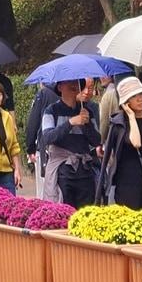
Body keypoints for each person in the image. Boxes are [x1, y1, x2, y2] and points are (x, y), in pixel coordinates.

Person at [99, 77, 142, 211]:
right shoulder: (119, 123)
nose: (140, 99)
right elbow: (136, 142)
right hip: (127, 183)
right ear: (125, 101)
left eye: (141, 94)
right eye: (134, 96)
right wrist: (130, 116)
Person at [39, 79, 101, 207]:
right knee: (64, 212)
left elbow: (96, 141)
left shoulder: (87, 111)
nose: (73, 84)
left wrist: (87, 124)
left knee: (86, 214)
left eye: (76, 82)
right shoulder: (51, 110)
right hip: (62, 170)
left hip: (84, 170)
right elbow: (48, 138)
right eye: (68, 82)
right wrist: (71, 123)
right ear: (60, 87)